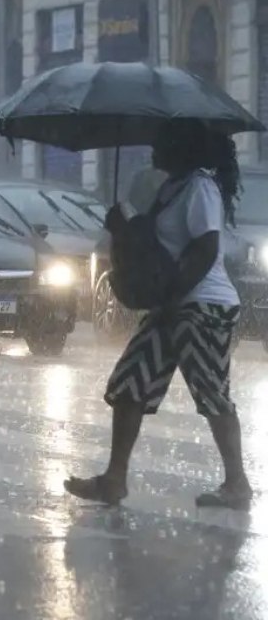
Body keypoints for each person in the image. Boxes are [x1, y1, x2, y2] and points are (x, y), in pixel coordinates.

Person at [66, 120, 253, 510]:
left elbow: (206, 249)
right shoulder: (172, 188)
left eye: (163, 140)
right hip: (172, 304)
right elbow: (154, 247)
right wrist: (124, 227)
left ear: (184, 146)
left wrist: (172, 299)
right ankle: (114, 479)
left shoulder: (200, 187)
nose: (154, 147)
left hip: (204, 306)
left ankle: (237, 483)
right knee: (131, 382)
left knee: (210, 390)